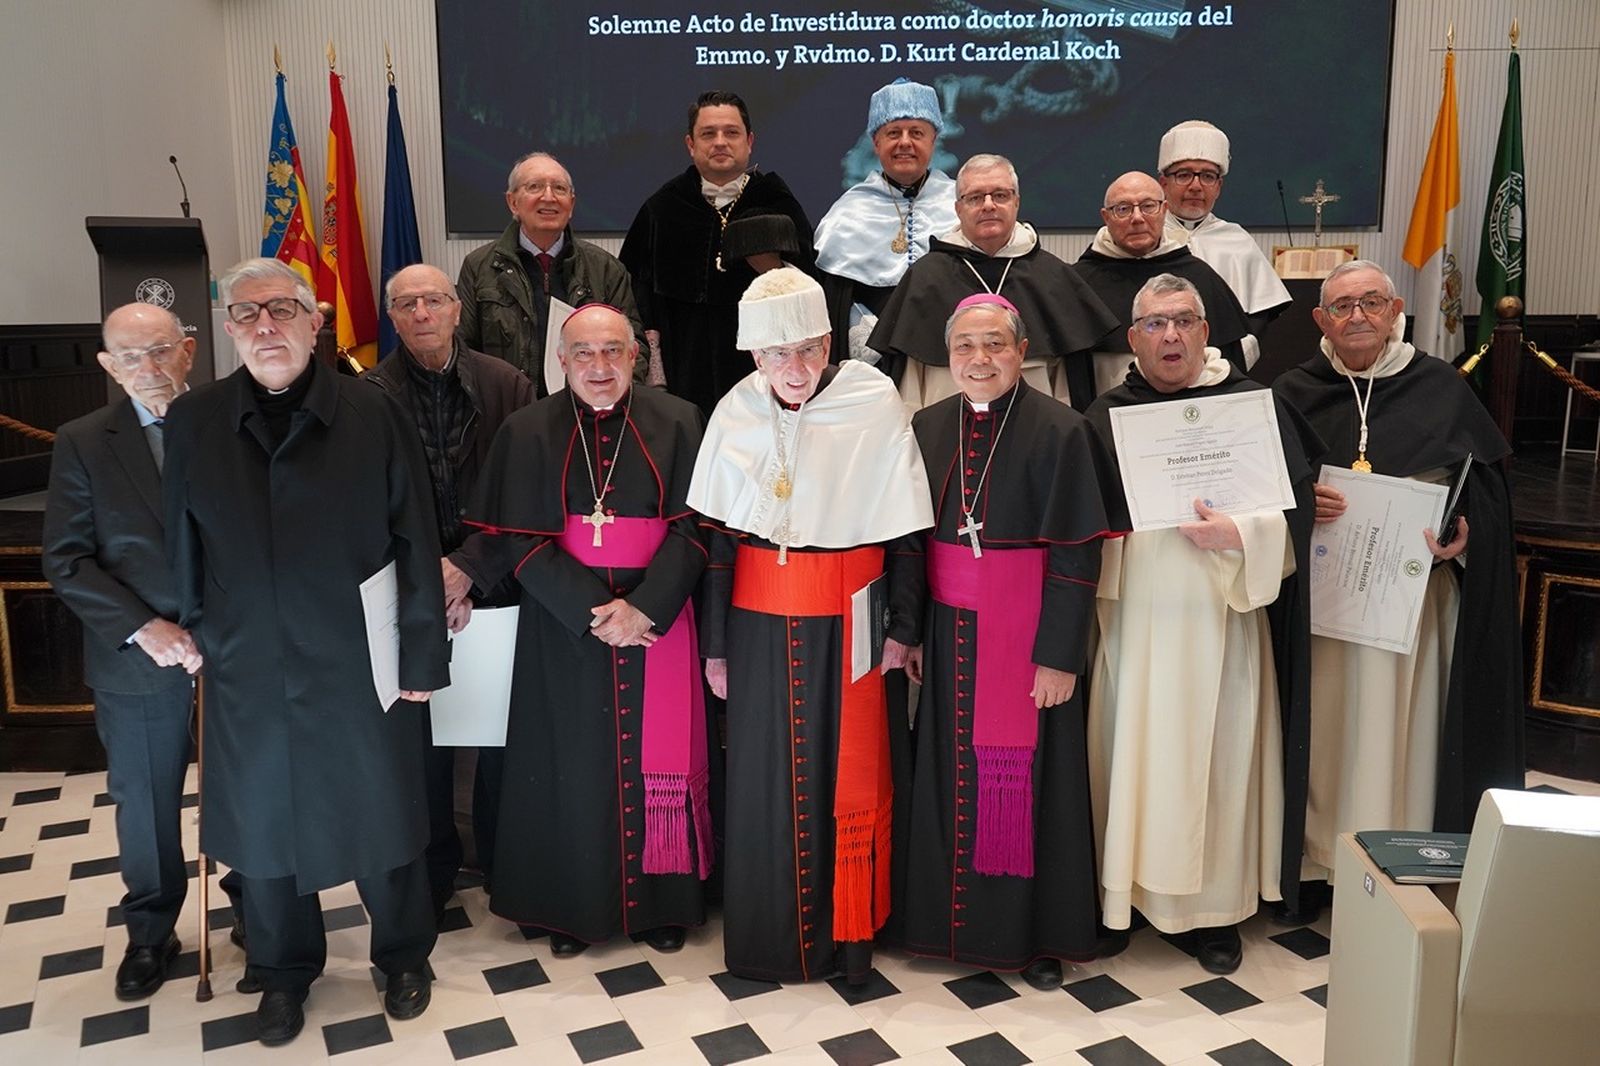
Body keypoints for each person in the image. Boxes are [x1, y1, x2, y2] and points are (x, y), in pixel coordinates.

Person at [163, 257, 448, 1045]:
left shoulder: (374, 410)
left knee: (384, 814)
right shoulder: (195, 421)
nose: (265, 326)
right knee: (263, 826)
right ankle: (285, 973)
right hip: (246, 661)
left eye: (282, 310)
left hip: (362, 655)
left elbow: (414, 537)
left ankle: (402, 957)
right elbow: (180, 541)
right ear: (225, 328)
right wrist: (192, 632)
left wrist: (422, 657)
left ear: (315, 320)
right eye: (248, 313)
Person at [688, 267, 933, 982]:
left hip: (854, 621)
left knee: (849, 775)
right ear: (754, 357)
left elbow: (905, 530)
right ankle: (769, 937)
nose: (795, 369)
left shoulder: (871, 399)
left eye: (809, 349)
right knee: (766, 780)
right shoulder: (735, 412)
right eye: (777, 355)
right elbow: (720, 544)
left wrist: (904, 626)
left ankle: (849, 938)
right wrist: (716, 646)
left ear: (830, 342)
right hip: (759, 626)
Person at [454, 303, 712, 956]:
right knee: (568, 767)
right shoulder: (527, 430)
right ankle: (568, 909)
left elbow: (696, 530)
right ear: (561, 360)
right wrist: (595, 613)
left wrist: (644, 608)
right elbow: (517, 537)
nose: (599, 367)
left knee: (663, 761)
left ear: (634, 357)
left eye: (613, 352)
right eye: (584, 354)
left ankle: (661, 905)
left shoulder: (680, 420)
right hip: (563, 628)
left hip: (659, 621)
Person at [1084, 274, 1318, 975]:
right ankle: (1122, 900)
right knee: (1132, 753)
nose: (1171, 337)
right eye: (1154, 325)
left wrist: (1243, 536)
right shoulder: (1104, 416)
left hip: (1222, 614)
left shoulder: (1249, 407)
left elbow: (1295, 512)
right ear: (1133, 339)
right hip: (1136, 620)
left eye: (1184, 321)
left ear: (1205, 330)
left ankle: (1211, 913)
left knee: (1217, 756)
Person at [899, 294, 1127, 990]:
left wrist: (1059, 655)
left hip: (1027, 641)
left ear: (1021, 350)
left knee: (1036, 788)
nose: (979, 359)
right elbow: (909, 541)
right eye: (965, 345)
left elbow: (1076, 554)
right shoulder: (926, 425)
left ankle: (1037, 937)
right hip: (947, 634)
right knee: (946, 777)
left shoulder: (1062, 430)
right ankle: (944, 929)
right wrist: (908, 630)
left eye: (994, 344)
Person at [1272, 260, 1521, 892]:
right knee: (1326, 733)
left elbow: (1486, 495)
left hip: (1412, 606)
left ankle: (1402, 855)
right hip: (1323, 609)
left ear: (1396, 308)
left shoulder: (1440, 386)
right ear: (1319, 320)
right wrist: (1303, 500)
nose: (1357, 316)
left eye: (1371, 303)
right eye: (1342, 306)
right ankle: (1316, 861)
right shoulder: (1291, 392)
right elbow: (1261, 490)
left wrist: (1465, 538)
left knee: (1400, 733)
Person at [43, 303, 208, 1001]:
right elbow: (68, 560)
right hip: (139, 659)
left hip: (235, 650)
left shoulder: (231, 422)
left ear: (189, 352)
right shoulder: (82, 441)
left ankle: (260, 914)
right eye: (131, 356)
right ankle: (151, 931)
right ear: (108, 366)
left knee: (247, 788)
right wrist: (148, 628)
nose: (150, 367)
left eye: (162, 350)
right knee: (144, 803)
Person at [363, 264, 535, 920]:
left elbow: (530, 491)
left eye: (433, 299)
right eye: (406, 304)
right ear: (394, 316)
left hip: (496, 585)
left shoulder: (508, 386)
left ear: (457, 309)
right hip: (408, 598)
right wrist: (431, 583)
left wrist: (468, 569)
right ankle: (431, 877)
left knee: (498, 741)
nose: (421, 312)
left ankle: (503, 864)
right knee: (421, 748)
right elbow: (365, 507)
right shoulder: (369, 394)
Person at [869, 154, 1117, 410]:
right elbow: (909, 390)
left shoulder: (1051, 274)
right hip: (945, 425)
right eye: (975, 197)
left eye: (1000, 195)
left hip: (1033, 428)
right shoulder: (926, 276)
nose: (988, 205)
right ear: (958, 208)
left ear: (1016, 202)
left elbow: (1068, 389)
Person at [620, 90, 814, 416]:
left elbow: (811, 290)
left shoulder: (778, 204)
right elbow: (635, 294)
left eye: (731, 132)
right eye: (708, 134)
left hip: (766, 373)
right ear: (690, 145)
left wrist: (773, 268)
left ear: (749, 141)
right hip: (683, 373)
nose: (720, 142)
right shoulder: (662, 208)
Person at [457, 151, 644, 393]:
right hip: (507, 413)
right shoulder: (478, 267)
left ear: (572, 204)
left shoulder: (606, 269)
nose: (549, 197)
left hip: (585, 412)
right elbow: (462, 350)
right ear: (512, 202)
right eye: (534, 187)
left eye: (559, 188)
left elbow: (633, 347)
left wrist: (609, 403)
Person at [813, 78, 959, 363]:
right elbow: (837, 306)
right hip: (874, 362)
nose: (905, 142)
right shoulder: (845, 214)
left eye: (917, 132)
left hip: (946, 357)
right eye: (893, 133)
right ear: (876, 143)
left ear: (934, 140)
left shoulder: (961, 206)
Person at [1075, 172, 1253, 405]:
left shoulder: (1201, 277)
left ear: (1164, 210)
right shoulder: (1079, 283)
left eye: (1149, 206)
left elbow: (1228, 370)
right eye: (1123, 209)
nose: (1137, 218)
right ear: (1106, 217)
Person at [1158, 121, 1293, 368]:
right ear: (1164, 183)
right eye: (1184, 174)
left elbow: (1260, 315)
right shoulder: (1147, 237)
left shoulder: (1237, 240)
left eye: (1208, 176)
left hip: (1222, 367)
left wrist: (1233, 357)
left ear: (1218, 187)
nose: (1196, 186)